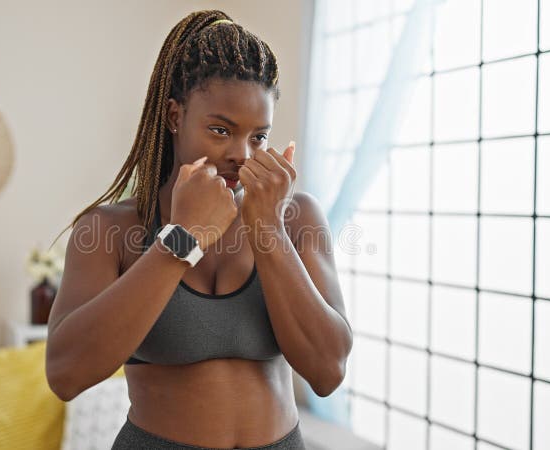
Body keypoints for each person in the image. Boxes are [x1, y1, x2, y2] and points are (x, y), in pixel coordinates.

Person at [45, 9, 353, 450]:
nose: (241, 154)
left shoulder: (296, 217)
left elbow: (328, 372)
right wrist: (180, 239)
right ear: (174, 115)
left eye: (259, 137)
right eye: (219, 130)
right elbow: (65, 374)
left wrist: (269, 230)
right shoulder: (110, 230)